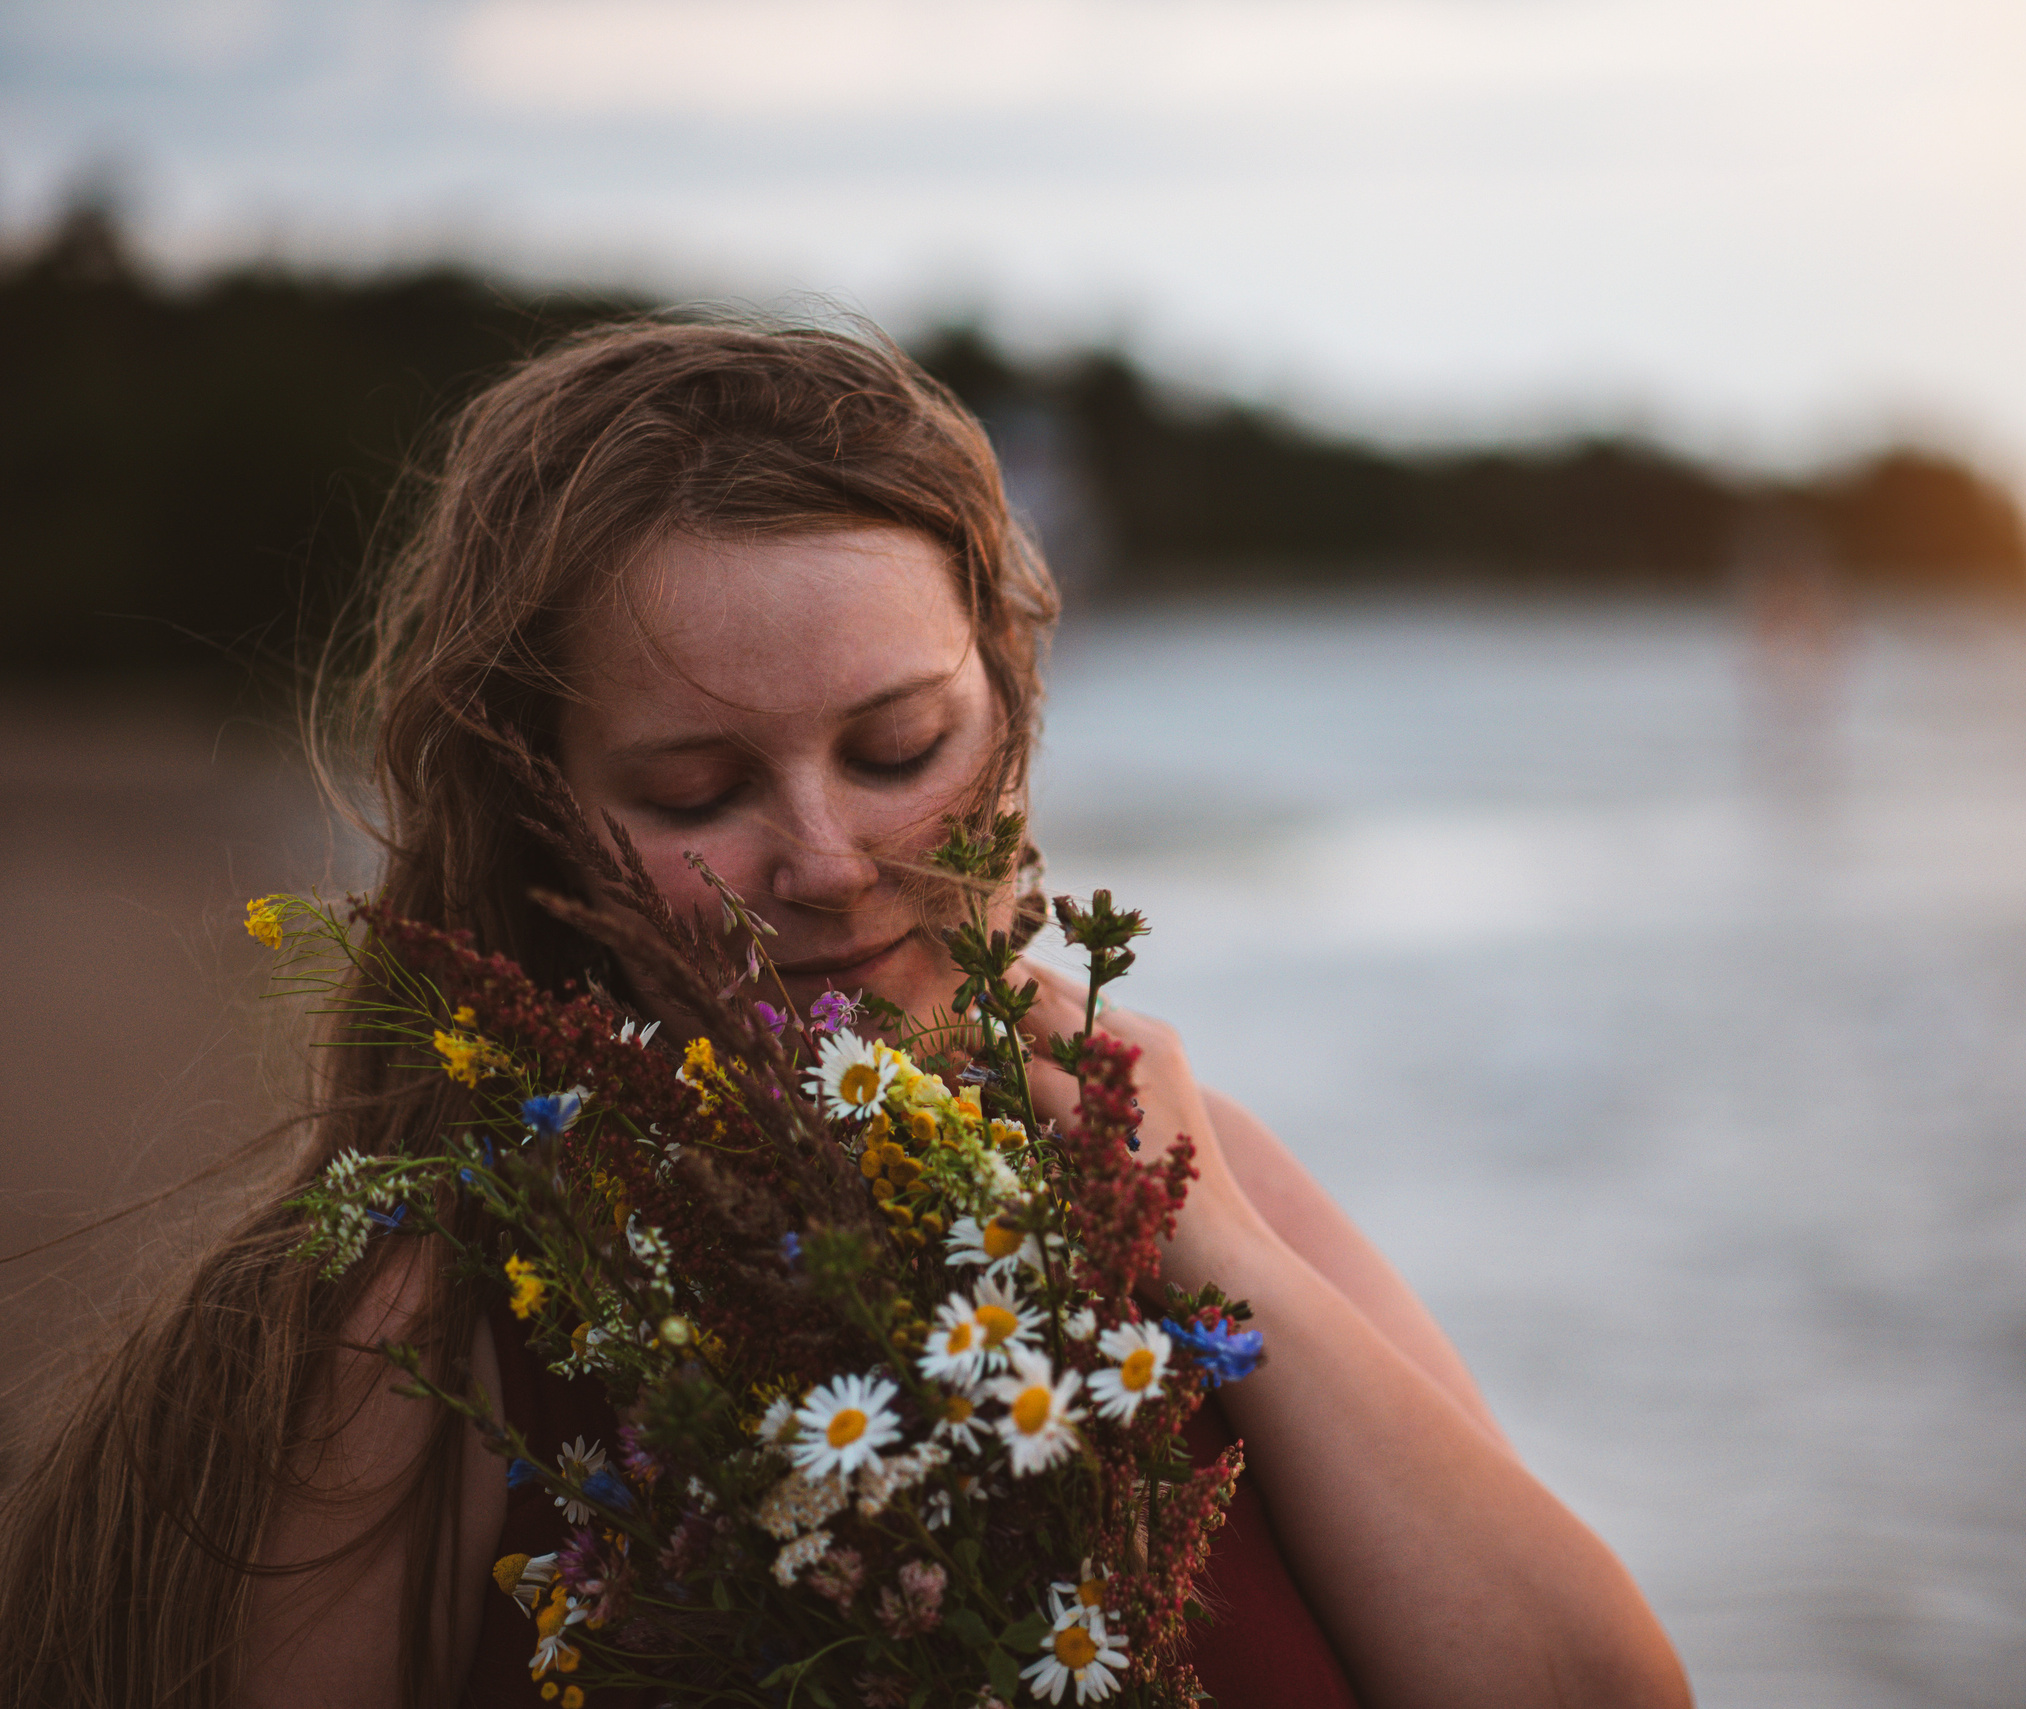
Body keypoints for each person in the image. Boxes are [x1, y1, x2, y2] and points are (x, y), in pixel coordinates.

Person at [0, 318, 1691, 1709]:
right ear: (540, 815)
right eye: (693, 788)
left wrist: (1205, 1233)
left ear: (1012, 721)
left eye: (900, 750)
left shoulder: (1194, 1163)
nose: (824, 860)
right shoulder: (437, 1325)